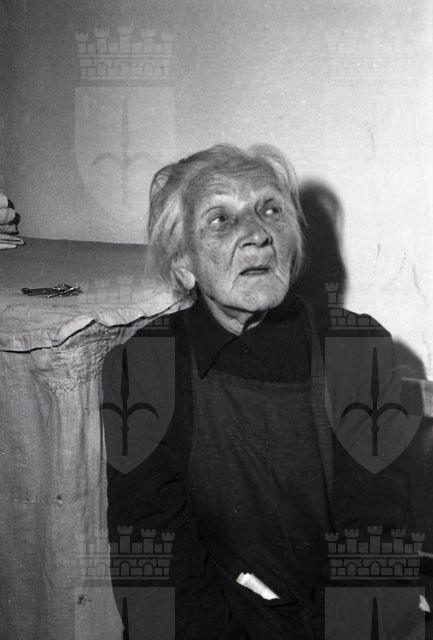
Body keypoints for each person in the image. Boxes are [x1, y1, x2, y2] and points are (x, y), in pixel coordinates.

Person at [102, 144, 418, 639]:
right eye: (221, 219)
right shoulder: (144, 365)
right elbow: (155, 566)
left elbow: (374, 542)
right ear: (183, 262)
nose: (257, 233)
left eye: (271, 210)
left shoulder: (357, 348)